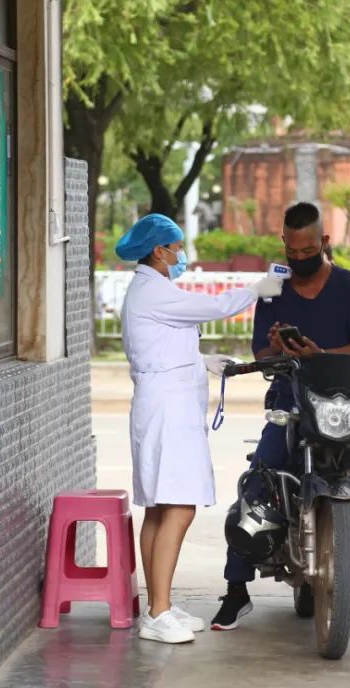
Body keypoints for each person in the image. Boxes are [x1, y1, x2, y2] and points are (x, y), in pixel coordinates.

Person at [210, 202, 350, 631]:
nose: (299, 258)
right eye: (292, 250)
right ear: (283, 243)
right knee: (259, 478)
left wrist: (318, 354)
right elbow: (261, 355)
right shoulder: (275, 288)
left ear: (324, 242)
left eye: (308, 249)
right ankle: (236, 590)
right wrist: (275, 349)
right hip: (290, 397)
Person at [116, 213, 284, 645]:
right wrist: (255, 290)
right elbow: (211, 307)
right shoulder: (152, 291)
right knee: (179, 506)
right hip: (167, 414)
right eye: (177, 248)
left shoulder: (151, 290)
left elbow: (165, 342)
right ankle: (156, 612)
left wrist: (201, 362)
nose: (181, 256)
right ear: (160, 250)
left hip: (164, 407)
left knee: (158, 507)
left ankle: (160, 605)